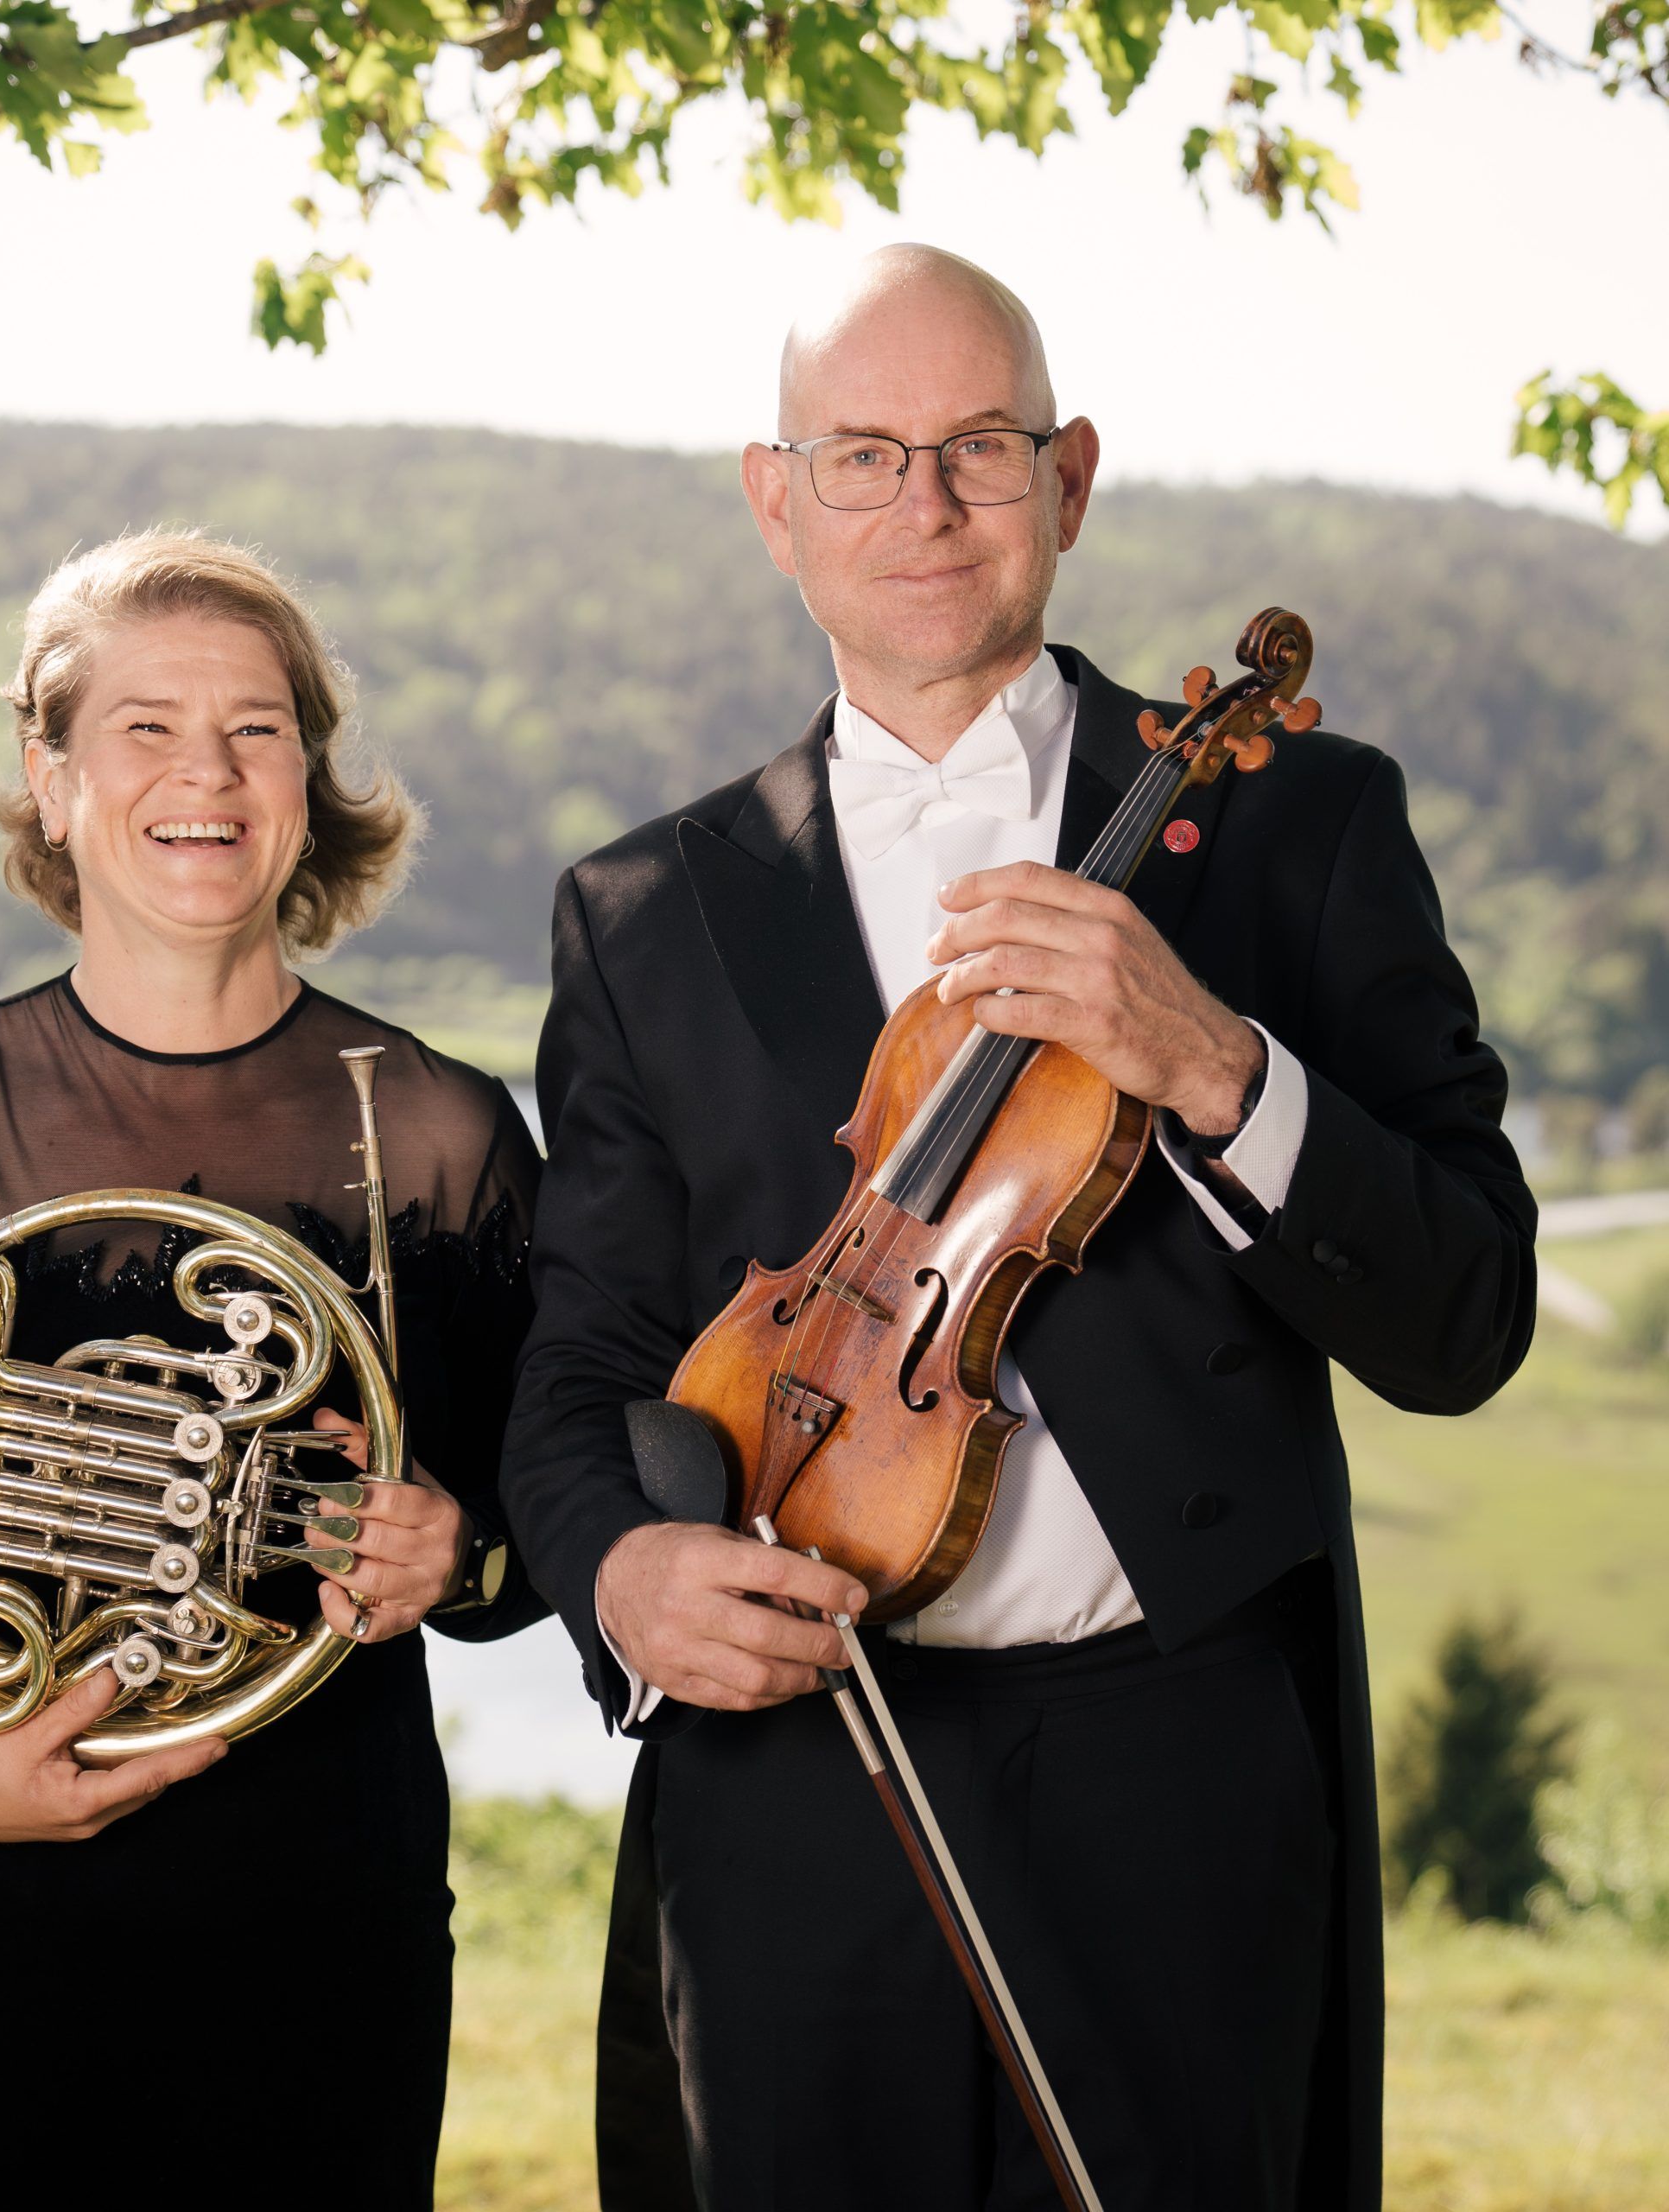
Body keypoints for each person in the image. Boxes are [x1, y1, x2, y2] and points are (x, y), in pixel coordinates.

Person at [501, 245, 1537, 2210]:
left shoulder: (1293, 822)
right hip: (799, 1761)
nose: (923, 504)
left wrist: (1217, 1064)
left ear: (1066, 477)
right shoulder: (637, 910)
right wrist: (625, 1573)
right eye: (864, 453)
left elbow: (1466, 1308)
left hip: (1179, 1773)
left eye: (974, 446)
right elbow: (575, 1363)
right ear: (771, 495)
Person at [0, 530, 544, 2209]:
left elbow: (529, 1523)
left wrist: (451, 1540)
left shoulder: (443, 1132)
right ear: (49, 775)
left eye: (256, 727)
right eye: (144, 726)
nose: (207, 773)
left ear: (309, 779)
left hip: (313, 1913)